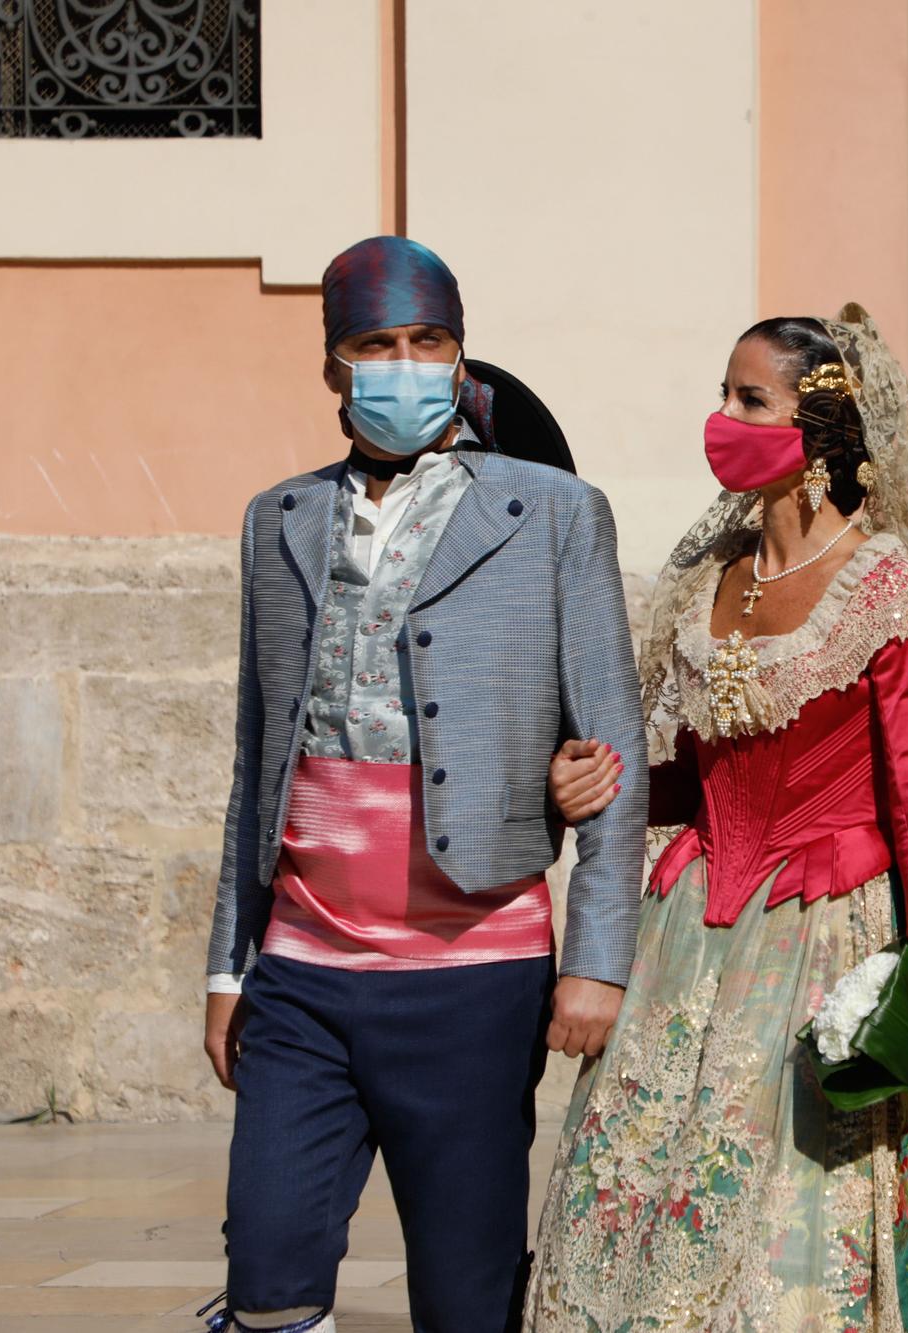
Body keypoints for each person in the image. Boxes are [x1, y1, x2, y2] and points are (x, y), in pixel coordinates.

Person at [529, 308, 908, 1329]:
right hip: (692, 928)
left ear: (821, 426)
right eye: (723, 394)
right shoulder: (714, 578)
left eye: (749, 399)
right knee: (642, 1186)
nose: (723, 418)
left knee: (785, 1205)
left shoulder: (883, 586)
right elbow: (696, 775)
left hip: (829, 922)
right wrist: (600, 778)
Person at [199, 236, 648, 1333]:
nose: (403, 364)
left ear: (458, 357)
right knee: (266, 1270)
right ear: (333, 368)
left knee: (465, 1292)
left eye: (427, 341)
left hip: (473, 972)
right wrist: (228, 963)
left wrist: (594, 963)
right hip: (303, 970)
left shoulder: (551, 513)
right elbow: (259, 759)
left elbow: (614, 752)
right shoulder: (280, 518)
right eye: (375, 344)